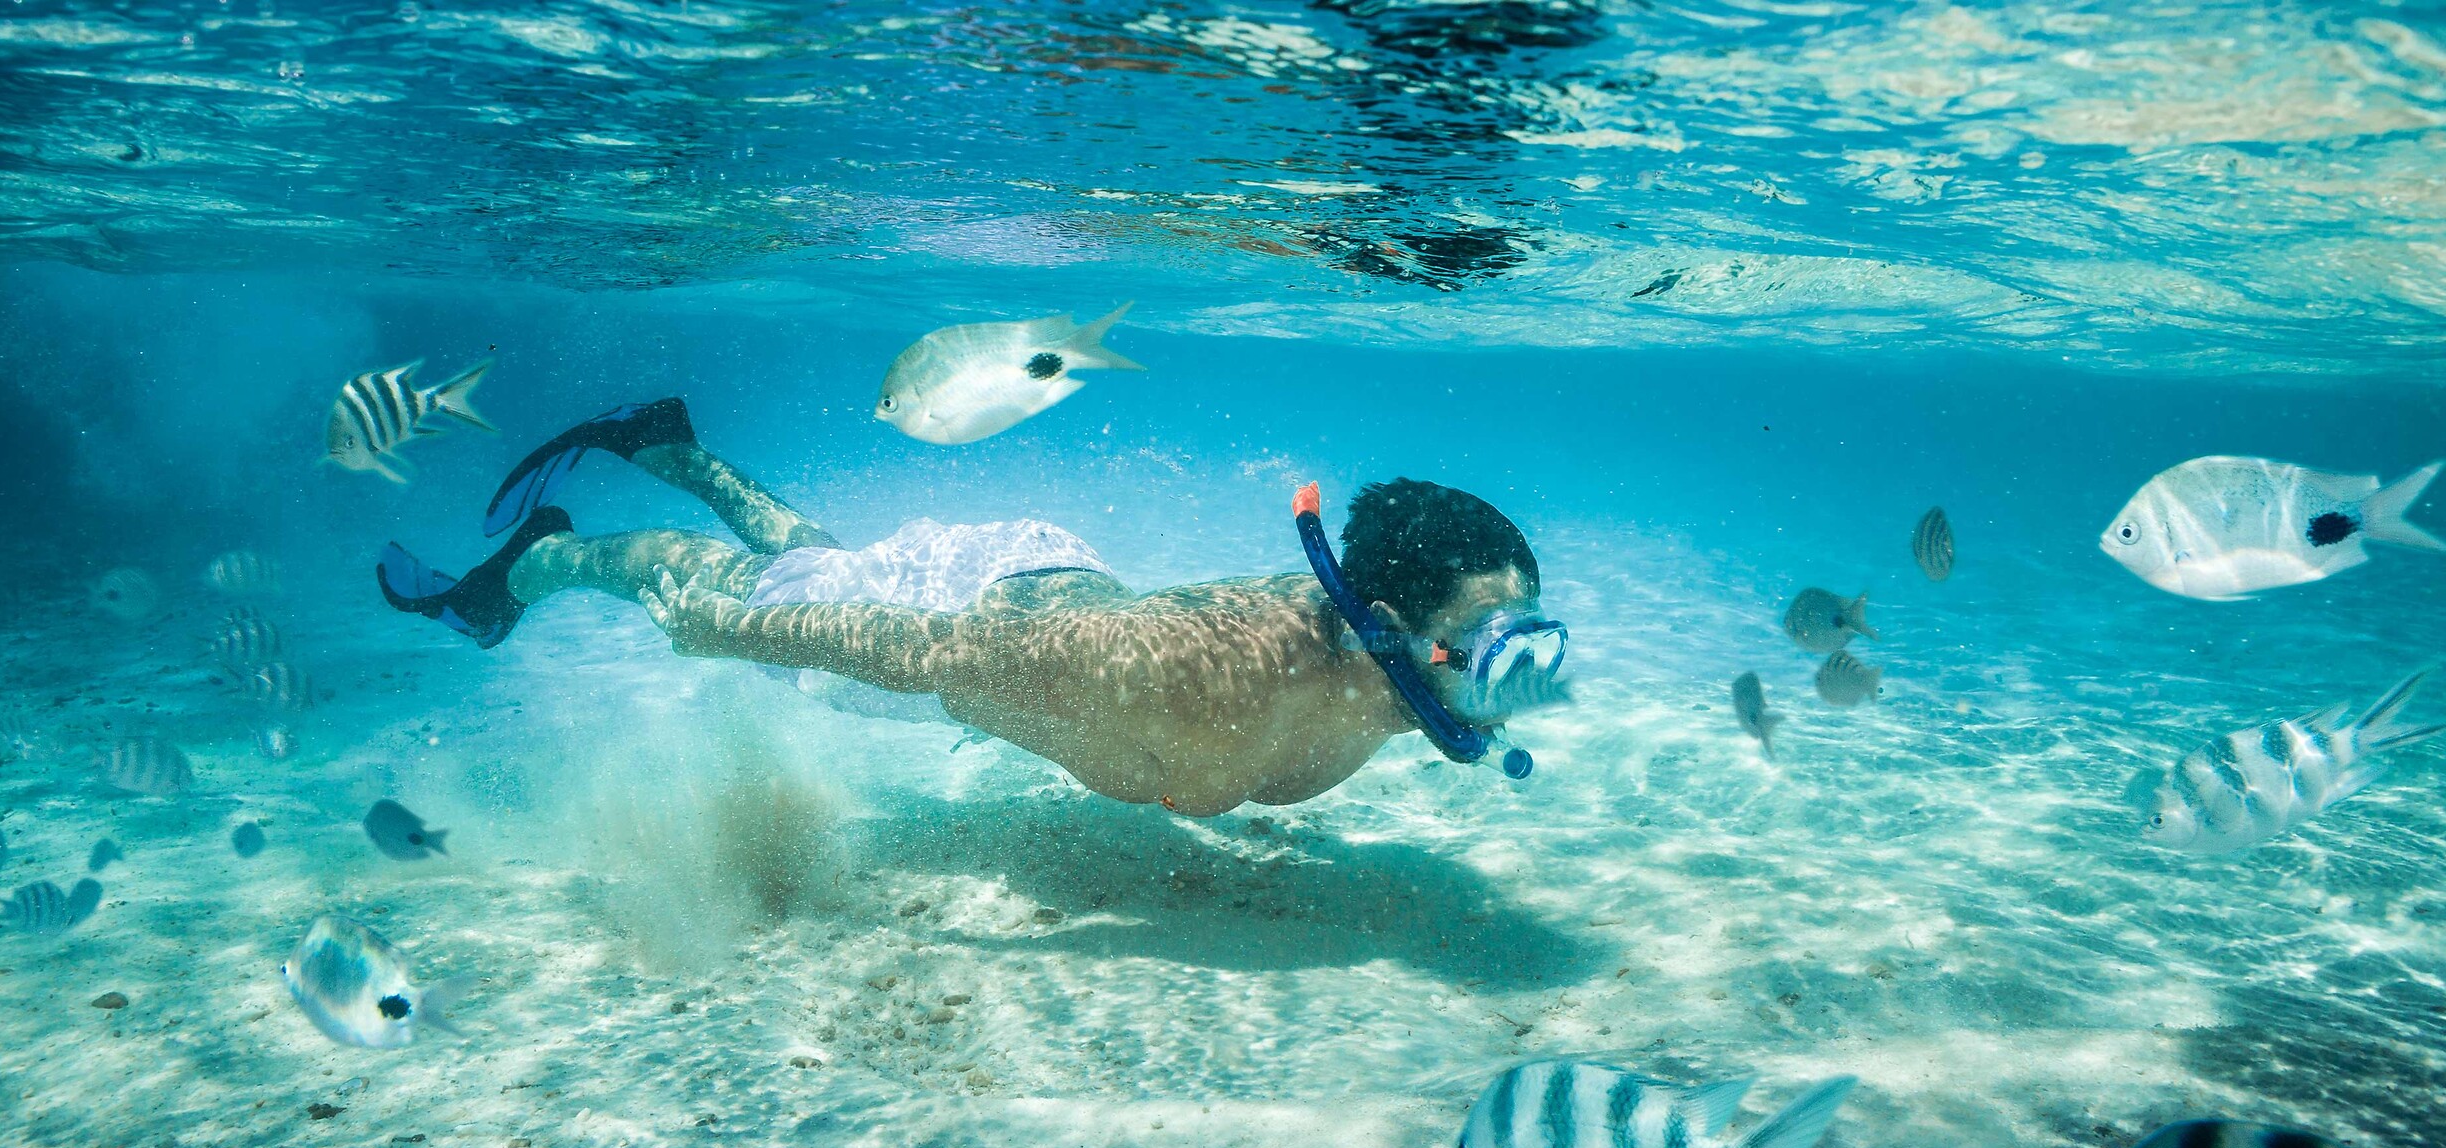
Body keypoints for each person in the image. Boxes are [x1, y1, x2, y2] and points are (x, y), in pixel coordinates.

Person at [380, 399, 1567, 815]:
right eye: (1491, 641)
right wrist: (724, 635)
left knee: (827, 568)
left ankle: (670, 447)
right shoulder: (1180, 672)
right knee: (750, 600)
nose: (1518, 679)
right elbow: (929, 645)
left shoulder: (1389, 676)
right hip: (977, 624)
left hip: (1039, 611)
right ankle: (532, 565)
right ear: (1377, 621)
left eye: (1529, 640)